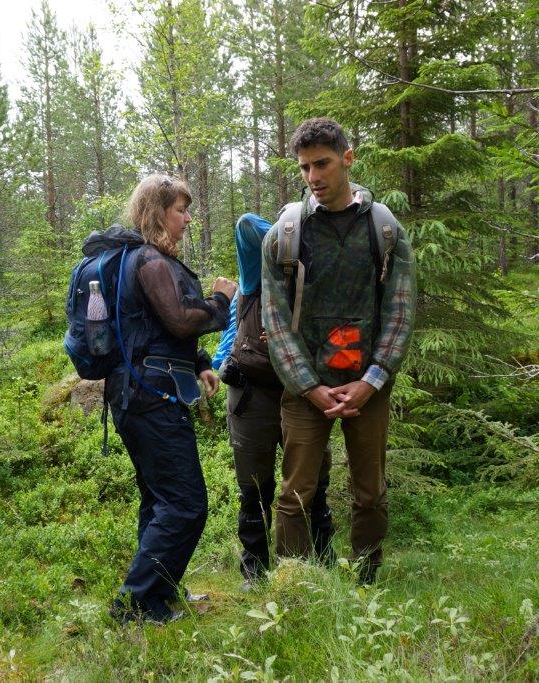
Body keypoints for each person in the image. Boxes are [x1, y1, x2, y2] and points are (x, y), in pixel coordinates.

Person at [261, 118, 417, 584]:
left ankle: (367, 581)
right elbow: (275, 320)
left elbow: (400, 312)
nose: (313, 177)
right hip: (306, 388)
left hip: (367, 385)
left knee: (370, 492)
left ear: (348, 159)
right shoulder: (284, 234)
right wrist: (309, 387)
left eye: (322, 164)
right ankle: (295, 585)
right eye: (304, 167)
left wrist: (373, 380)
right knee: (295, 494)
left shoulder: (384, 229)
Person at [105, 174, 236, 624]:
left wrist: (199, 362)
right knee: (185, 504)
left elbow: (153, 329)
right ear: (157, 212)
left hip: (138, 394)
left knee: (160, 501)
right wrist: (220, 301)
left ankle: (158, 594)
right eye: (181, 210)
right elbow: (179, 320)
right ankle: (135, 603)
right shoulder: (149, 260)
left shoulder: (144, 260)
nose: (188, 219)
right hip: (150, 398)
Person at [213, 214, 335, 587]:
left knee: (314, 482)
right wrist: (296, 241)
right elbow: (247, 225)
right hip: (252, 393)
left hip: (303, 392)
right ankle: (255, 568)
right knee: (254, 486)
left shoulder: (317, 284)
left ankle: (323, 559)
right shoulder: (258, 272)